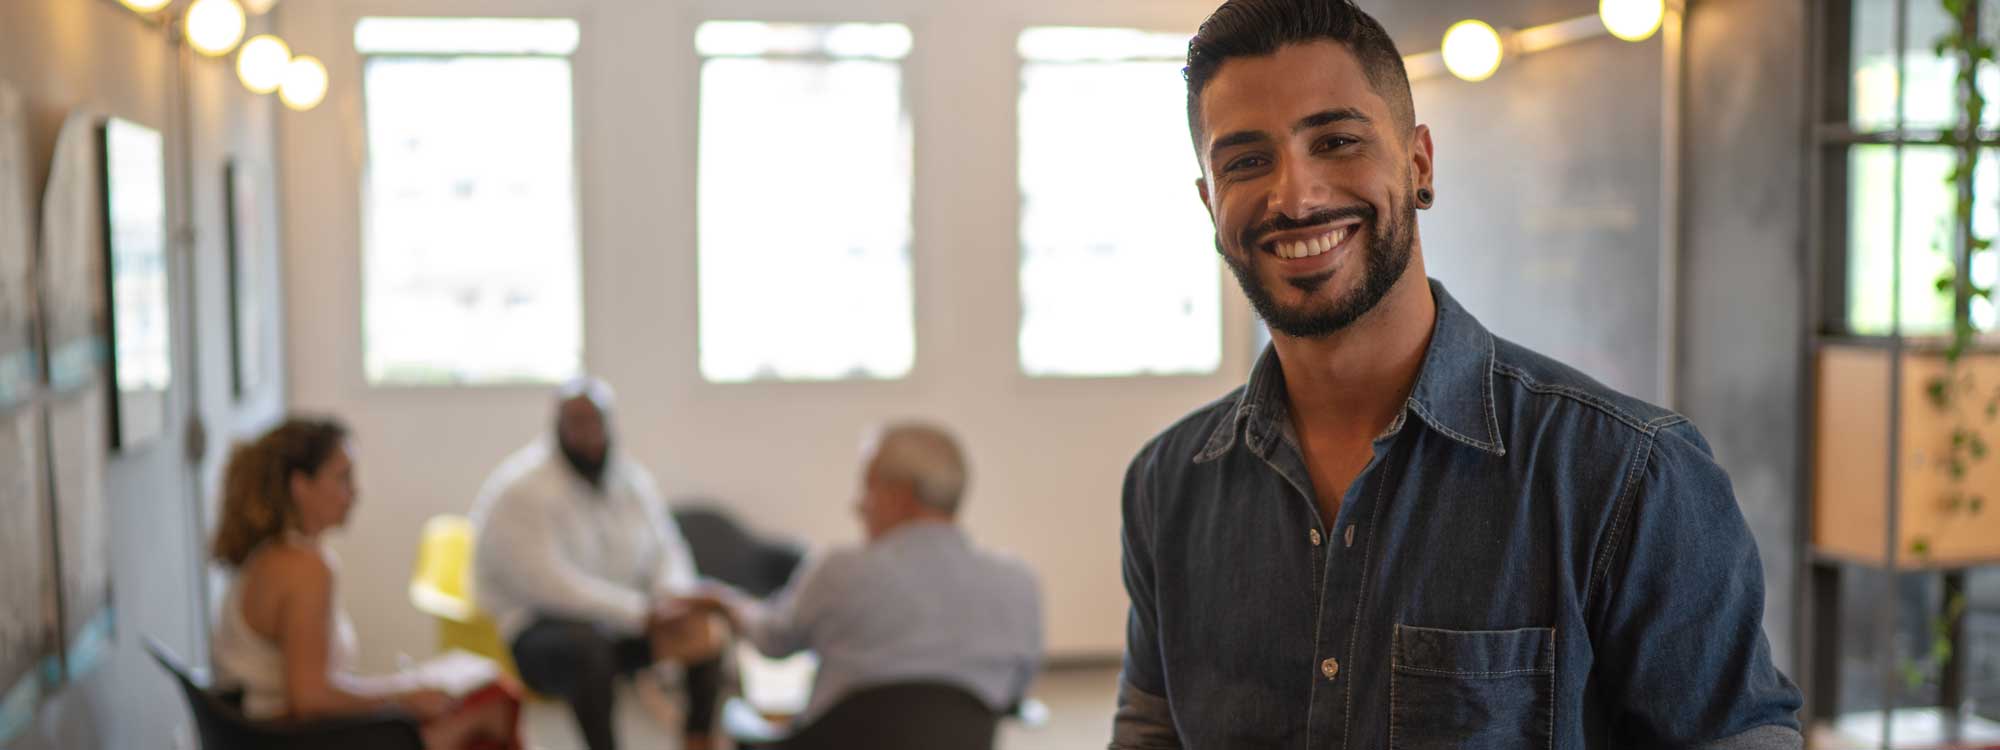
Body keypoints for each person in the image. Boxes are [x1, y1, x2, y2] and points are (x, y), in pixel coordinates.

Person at [1110, 1, 1804, 747]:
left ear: (1418, 164)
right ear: (1210, 203)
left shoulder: (1627, 475)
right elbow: (1149, 732)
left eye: (1337, 140)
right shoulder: (1167, 485)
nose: (1297, 196)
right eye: (1246, 161)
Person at [685, 422, 1042, 728]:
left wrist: (726, 604)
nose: (857, 506)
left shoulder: (839, 571)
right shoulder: (1019, 583)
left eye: (866, 489)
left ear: (897, 496)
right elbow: (1014, 694)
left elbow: (773, 641)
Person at [209, 417, 519, 750]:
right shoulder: (304, 569)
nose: (354, 491)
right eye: (342, 477)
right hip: (293, 737)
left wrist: (403, 689)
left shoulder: (272, 555)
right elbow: (309, 698)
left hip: (273, 731)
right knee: (496, 702)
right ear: (301, 486)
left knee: (480, 699)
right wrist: (404, 696)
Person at [470, 377, 723, 750]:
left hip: (622, 619)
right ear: (557, 425)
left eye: (596, 421)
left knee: (705, 628)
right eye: (576, 421)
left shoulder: (630, 480)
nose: (588, 432)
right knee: (591, 648)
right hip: (539, 630)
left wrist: (673, 599)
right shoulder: (520, 490)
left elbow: (666, 548)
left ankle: (697, 741)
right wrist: (639, 612)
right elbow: (550, 585)